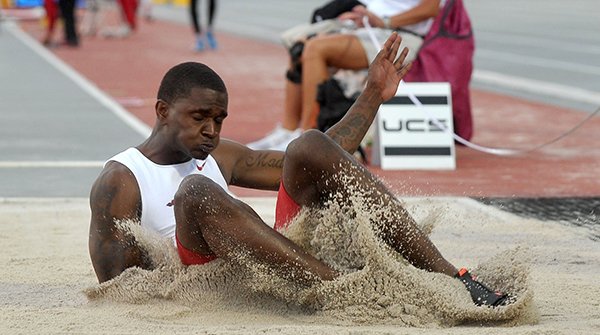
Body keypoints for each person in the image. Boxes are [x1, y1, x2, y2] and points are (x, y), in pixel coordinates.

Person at [88, 33, 507, 307]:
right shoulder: (121, 179)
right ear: (163, 111)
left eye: (219, 119)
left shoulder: (221, 154)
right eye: (200, 117)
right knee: (196, 190)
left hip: (273, 260)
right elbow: (115, 288)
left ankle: (452, 277)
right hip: (205, 278)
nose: (211, 130)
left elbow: (323, 158)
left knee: (306, 143)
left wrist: (373, 95)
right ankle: (346, 292)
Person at [248, 0, 442, 151]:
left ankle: (307, 136)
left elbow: (430, 9)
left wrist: (385, 21)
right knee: (298, 45)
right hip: (369, 27)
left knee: (315, 49)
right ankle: (288, 130)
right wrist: (353, 14)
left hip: (398, 35)